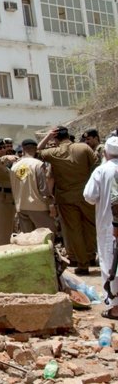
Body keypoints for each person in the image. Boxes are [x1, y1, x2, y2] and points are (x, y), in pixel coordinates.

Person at [38, 126, 98, 275]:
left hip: (66, 197)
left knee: (74, 230)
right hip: (86, 194)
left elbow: (38, 151)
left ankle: (82, 264)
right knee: (90, 226)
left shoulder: (54, 152)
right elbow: (96, 165)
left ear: (55, 138)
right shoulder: (84, 148)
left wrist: (47, 136)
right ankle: (91, 256)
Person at [83, 137, 118, 319]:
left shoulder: (102, 170)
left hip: (109, 225)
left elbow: (89, 195)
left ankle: (115, 306)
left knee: (110, 262)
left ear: (105, 153)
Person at [10, 139, 56, 233]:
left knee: (29, 240)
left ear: (23, 149)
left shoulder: (14, 166)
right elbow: (43, 188)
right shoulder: (38, 164)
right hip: (38, 206)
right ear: (36, 149)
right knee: (46, 237)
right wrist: (51, 204)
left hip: (21, 207)